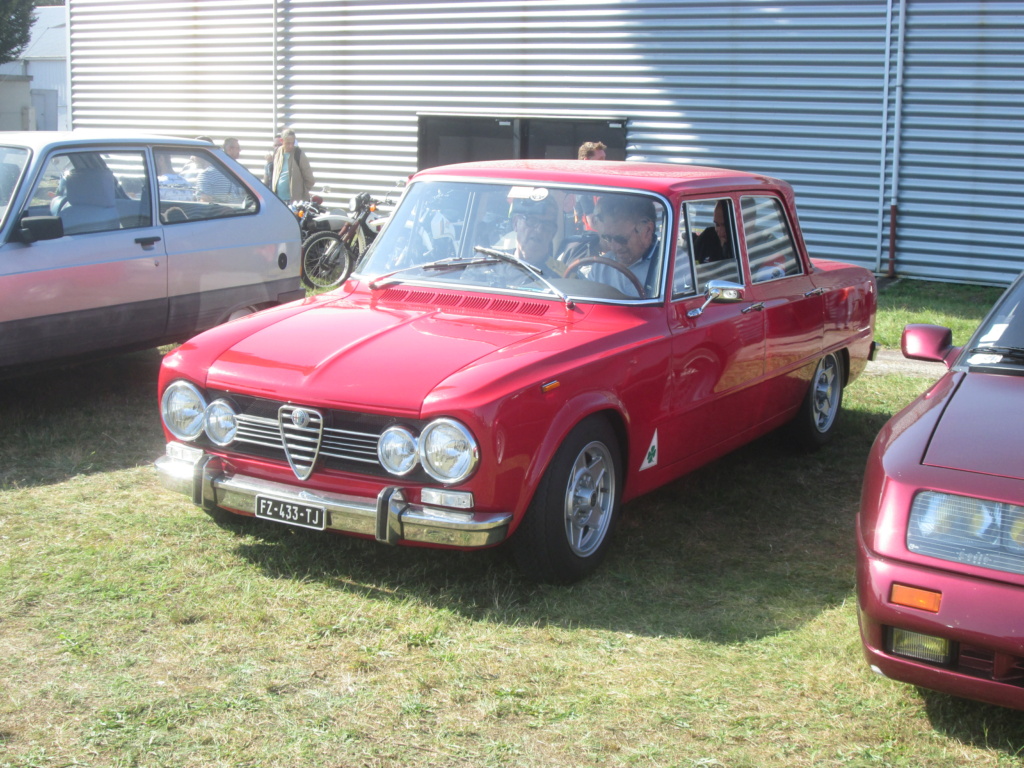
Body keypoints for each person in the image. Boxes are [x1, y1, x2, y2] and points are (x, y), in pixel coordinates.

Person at [584, 194, 660, 298]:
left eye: (621, 239)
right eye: (608, 238)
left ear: (647, 230)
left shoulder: (674, 267)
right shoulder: (600, 268)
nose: (614, 247)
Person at [270, 128, 316, 203]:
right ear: (282, 141)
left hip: (294, 201)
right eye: (288, 143)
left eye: (293, 143)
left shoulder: (298, 154)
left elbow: (310, 179)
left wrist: (301, 192)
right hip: (278, 199)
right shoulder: (277, 152)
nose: (291, 146)